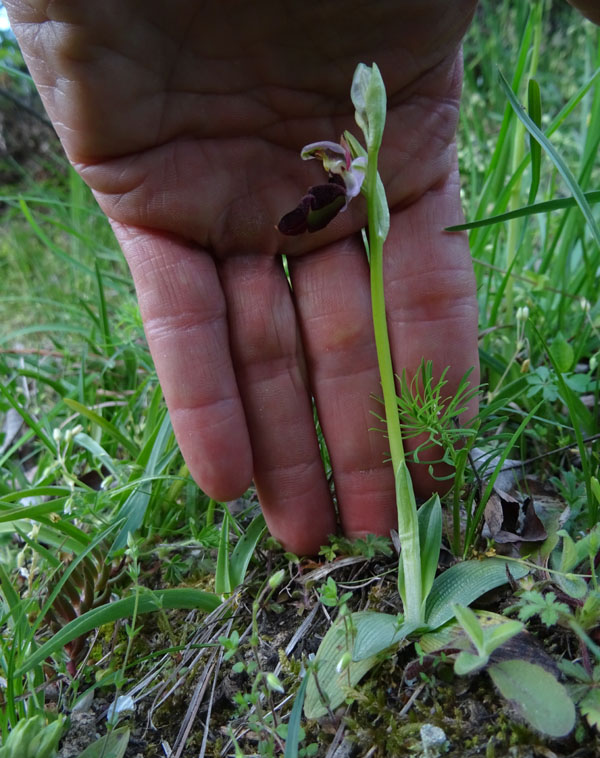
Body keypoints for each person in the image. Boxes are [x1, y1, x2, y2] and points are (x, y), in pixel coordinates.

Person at [4, 1, 596, 555]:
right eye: (332, 166)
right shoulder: (345, 172)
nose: (331, 171)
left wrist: (346, 175)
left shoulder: (365, 169)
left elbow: (353, 174)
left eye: (336, 165)